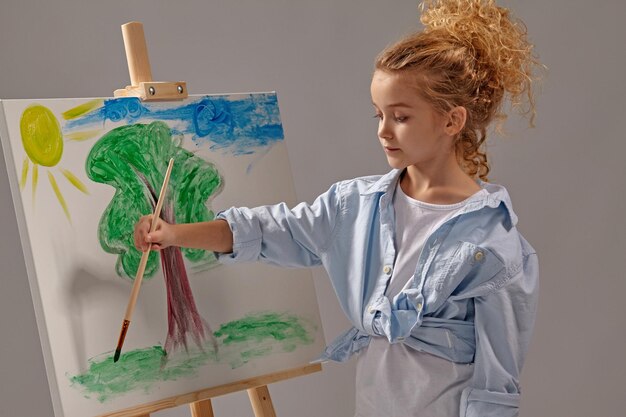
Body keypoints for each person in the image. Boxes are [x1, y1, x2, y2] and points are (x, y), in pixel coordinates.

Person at [134, 1, 542, 415]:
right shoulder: (354, 206)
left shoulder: (495, 245)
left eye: (400, 117)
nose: (383, 131)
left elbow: (496, 387)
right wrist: (173, 235)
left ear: (452, 121)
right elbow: (269, 230)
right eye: (378, 115)